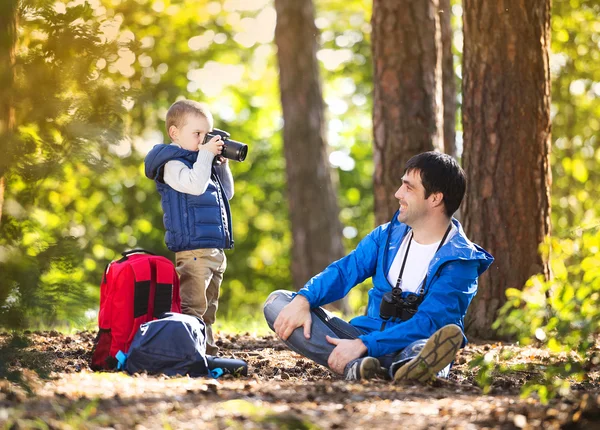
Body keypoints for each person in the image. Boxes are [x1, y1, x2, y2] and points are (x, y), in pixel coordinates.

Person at [263, 151, 493, 382]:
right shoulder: (385, 237)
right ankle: (375, 368)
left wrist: (365, 345)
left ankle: (377, 367)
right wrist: (304, 299)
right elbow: (343, 272)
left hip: (413, 342)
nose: (397, 194)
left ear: (435, 198)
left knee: (424, 348)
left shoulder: (461, 261)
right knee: (279, 302)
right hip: (362, 336)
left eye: (408, 187)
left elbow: (430, 322)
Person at [144, 99, 235, 355]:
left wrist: (221, 165)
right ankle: (187, 353)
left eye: (207, 135)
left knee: (209, 309)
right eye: (197, 134)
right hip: (193, 251)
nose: (203, 141)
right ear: (175, 133)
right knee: (193, 307)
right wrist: (206, 155)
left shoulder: (201, 161)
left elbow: (226, 193)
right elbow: (194, 186)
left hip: (214, 250)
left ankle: (207, 353)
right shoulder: (172, 163)